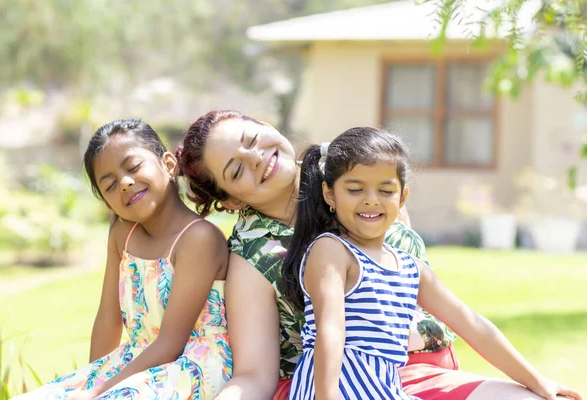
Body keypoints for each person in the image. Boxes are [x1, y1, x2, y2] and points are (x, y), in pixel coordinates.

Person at [177, 110, 572, 400]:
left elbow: (454, 310)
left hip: (428, 371)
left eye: (252, 139)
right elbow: (257, 372)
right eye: (236, 169)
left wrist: (538, 380)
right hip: (339, 384)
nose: (257, 158)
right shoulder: (255, 251)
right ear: (228, 200)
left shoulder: (361, 168)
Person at [281, 127, 582, 400]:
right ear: (329, 194)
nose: (371, 200)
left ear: (402, 198)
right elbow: (330, 331)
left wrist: (537, 381)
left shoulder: (410, 268)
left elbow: (473, 325)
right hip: (332, 391)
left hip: (383, 390)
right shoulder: (331, 250)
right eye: (355, 189)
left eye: (385, 191)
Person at [15, 119, 232, 399]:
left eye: (133, 167)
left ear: (168, 164)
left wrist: (98, 391)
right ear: (107, 203)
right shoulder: (122, 234)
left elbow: (171, 342)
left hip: (193, 366)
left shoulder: (198, 238)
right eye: (110, 184)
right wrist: (90, 378)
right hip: (139, 362)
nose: (125, 183)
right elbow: (108, 316)